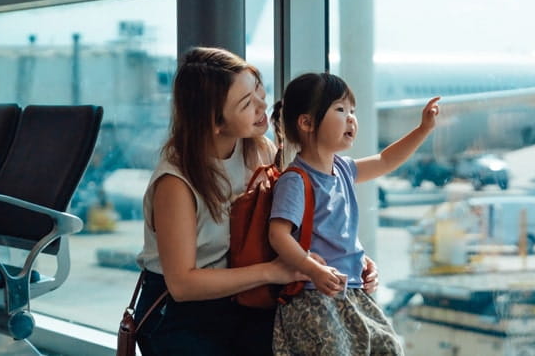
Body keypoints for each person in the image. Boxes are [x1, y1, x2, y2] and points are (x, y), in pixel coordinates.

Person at [133, 47, 380, 355]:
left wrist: (349, 260)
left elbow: (295, 216)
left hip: (247, 297)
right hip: (183, 315)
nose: (263, 105)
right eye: (247, 103)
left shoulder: (258, 150)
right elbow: (183, 285)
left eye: (259, 91)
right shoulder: (176, 183)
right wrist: (272, 272)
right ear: (216, 123)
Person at [268, 72, 440, 355]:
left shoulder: (344, 170)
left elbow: (385, 160)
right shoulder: (296, 179)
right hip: (315, 296)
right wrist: (313, 269)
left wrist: (422, 130)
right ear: (307, 122)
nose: (351, 118)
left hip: (353, 293)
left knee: (389, 347)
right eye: (340, 109)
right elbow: (278, 235)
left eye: (352, 111)